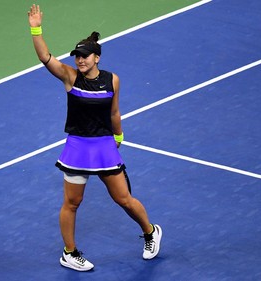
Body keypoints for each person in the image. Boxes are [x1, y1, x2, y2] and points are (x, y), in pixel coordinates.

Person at [27, 3, 162, 272]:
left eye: (85, 56)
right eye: (77, 56)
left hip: (103, 146)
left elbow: (114, 111)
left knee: (123, 199)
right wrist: (36, 29)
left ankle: (150, 232)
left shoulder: (112, 80)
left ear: (97, 57)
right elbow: (45, 57)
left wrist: (119, 135)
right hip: (78, 146)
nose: (80, 60)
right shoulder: (70, 77)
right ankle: (70, 252)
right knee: (72, 203)